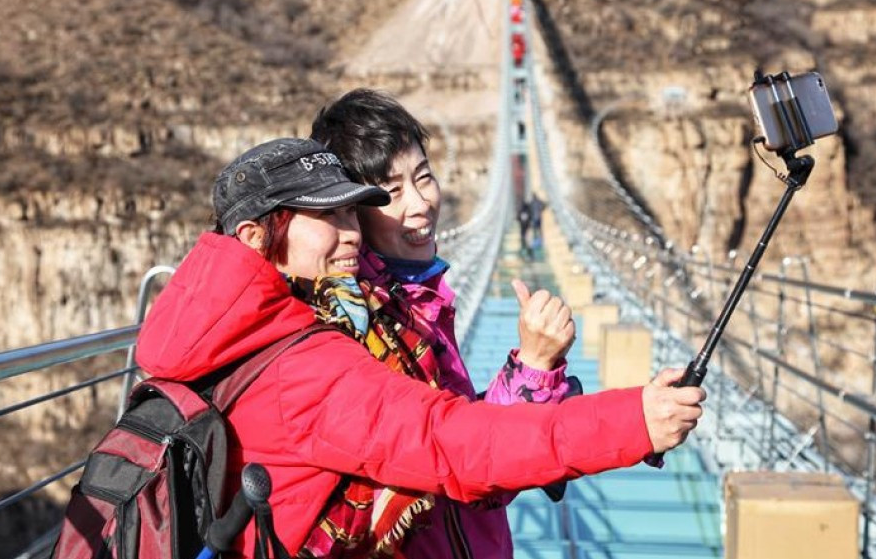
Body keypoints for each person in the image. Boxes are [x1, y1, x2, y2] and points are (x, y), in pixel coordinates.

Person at [136, 138, 706, 557]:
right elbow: (456, 445)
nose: (353, 231)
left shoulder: (226, 329)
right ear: (256, 236)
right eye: (327, 216)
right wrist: (633, 421)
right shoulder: (305, 366)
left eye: (351, 211)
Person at [311, 89, 566, 556]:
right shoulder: (367, 328)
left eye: (423, 177)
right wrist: (533, 366)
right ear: (351, 211)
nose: (421, 202)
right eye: (391, 191)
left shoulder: (416, 300)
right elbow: (469, 463)